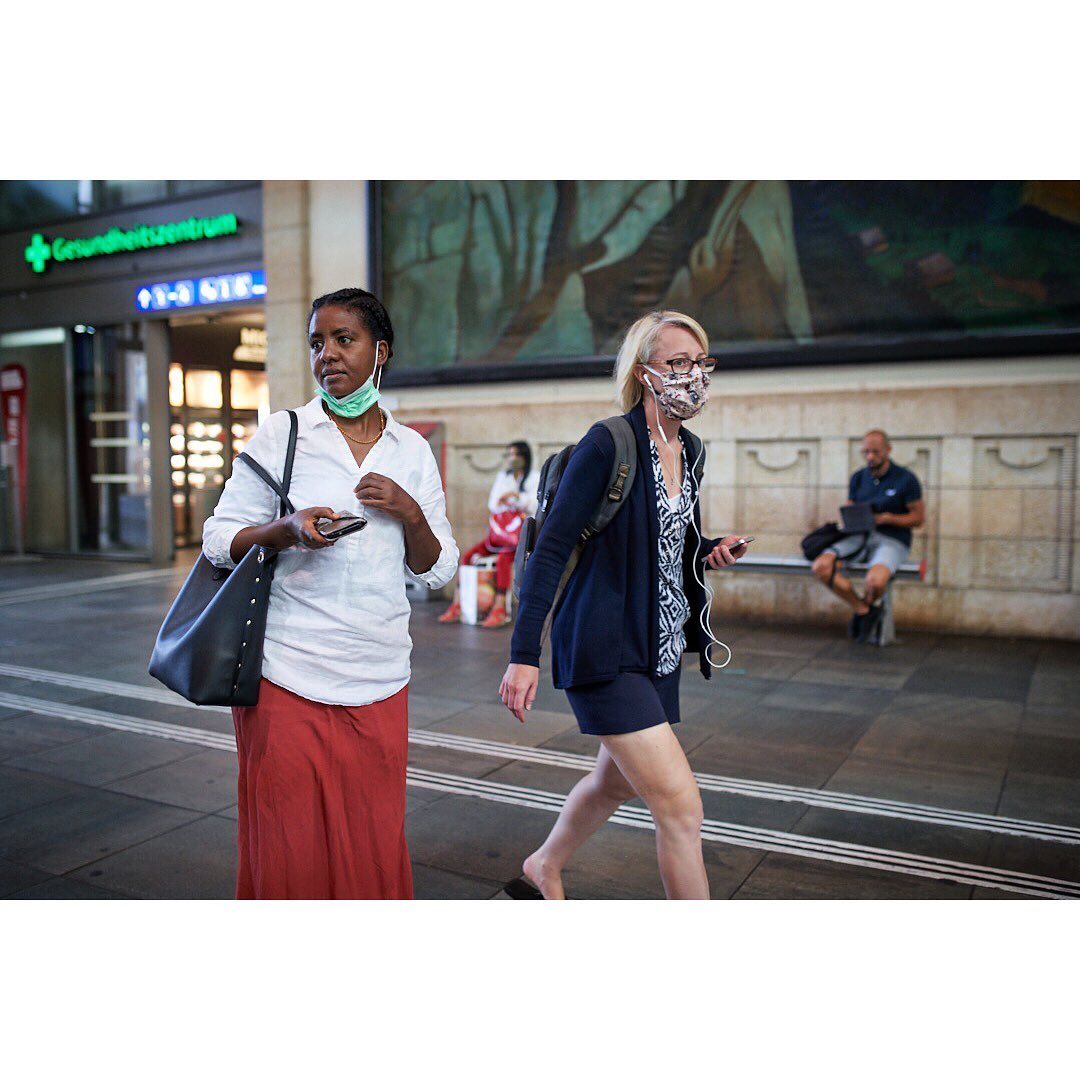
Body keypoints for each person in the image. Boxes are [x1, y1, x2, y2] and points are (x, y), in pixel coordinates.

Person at [202, 287, 458, 900]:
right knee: (288, 845)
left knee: (371, 840)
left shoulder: (412, 450)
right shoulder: (284, 434)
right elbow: (217, 537)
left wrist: (410, 512)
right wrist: (284, 530)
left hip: (379, 675)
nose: (328, 356)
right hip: (286, 674)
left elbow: (439, 569)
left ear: (381, 351)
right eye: (318, 343)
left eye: (345, 340)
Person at [497, 311, 750, 900]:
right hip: (603, 647)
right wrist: (522, 653)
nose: (694, 375)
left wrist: (709, 548)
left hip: (658, 650)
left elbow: (671, 534)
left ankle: (543, 865)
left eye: (701, 362)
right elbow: (552, 548)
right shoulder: (608, 443)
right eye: (678, 363)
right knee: (683, 809)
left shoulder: (690, 450)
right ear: (644, 372)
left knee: (612, 785)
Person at [812, 429, 925, 642]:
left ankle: (866, 610)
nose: (870, 457)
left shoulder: (906, 479)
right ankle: (863, 610)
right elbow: (851, 507)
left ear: (888, 450)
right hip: (859, 537)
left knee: (875, 581)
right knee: (822, 566)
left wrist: (888, 518)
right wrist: (850, 518)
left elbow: (918, 518)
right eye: (866, 452)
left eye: (875, 452)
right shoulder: (858, 477)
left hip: (892, 539)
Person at [439, 441, 539, 628]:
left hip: (518, 538)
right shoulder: (503, 477)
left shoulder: (534, 478)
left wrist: (515, 498)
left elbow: (533, 505)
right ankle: (458, 603)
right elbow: (493, 504)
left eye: (516, 454)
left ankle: (499, 608)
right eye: (509, 454)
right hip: (499, 535)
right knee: (469, 556)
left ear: (524, 457)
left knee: (503, 561)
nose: (512, 458)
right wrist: (512, 501)